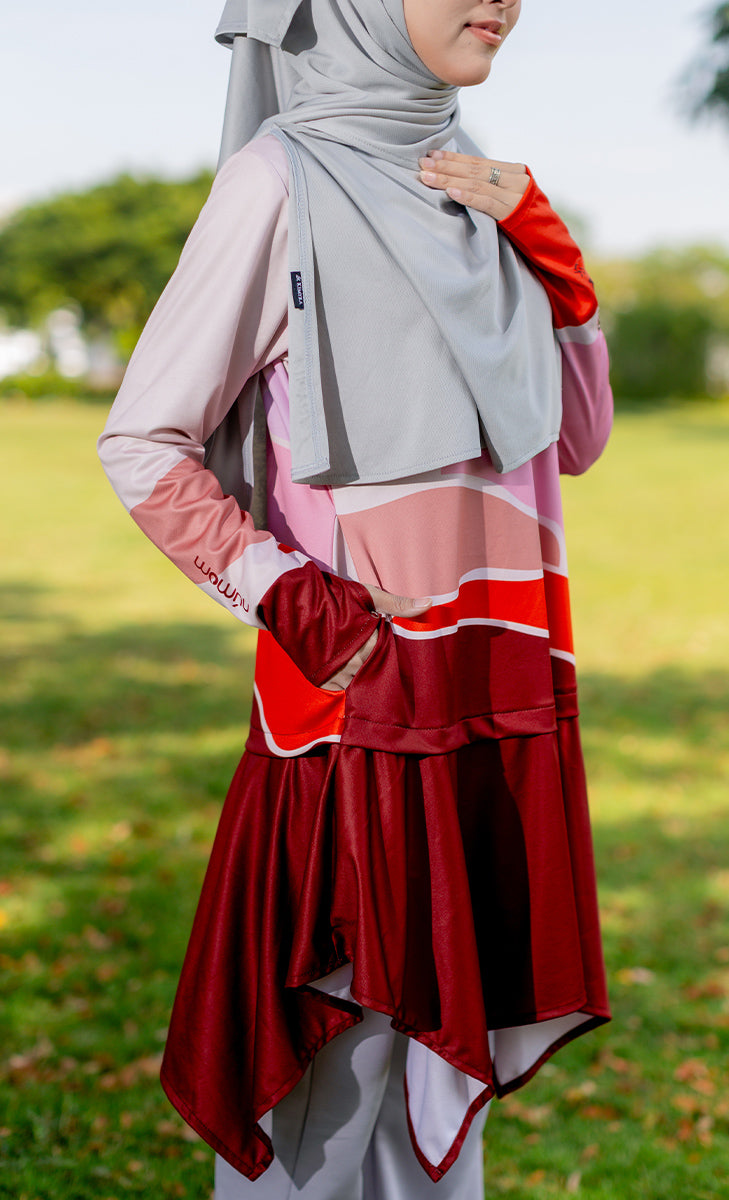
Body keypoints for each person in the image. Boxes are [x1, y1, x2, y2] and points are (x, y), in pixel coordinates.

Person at [98, 1, 613, 1196]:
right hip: (359, 712)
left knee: (441, 1108)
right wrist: (296, 604)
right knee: (322, 1110)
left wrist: (557, 262)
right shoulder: (278, 179)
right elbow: (143, 443)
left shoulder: (482, 188)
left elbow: (576, 439)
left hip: (496, 696)